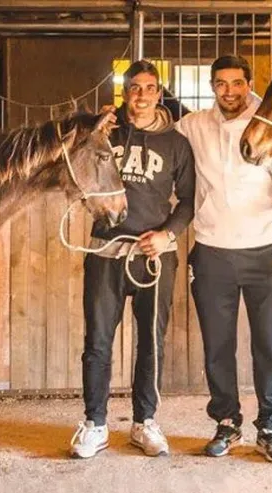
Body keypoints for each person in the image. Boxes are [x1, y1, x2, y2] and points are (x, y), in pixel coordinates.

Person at [175, 55, 272, 463]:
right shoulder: (193, 126)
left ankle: (271, 425)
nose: (228, 91)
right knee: (218, 346)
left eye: (236, 83)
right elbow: (154, 131)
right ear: (212, 86)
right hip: (212, 253)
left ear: (250, 84)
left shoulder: (269, 128)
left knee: (269, 345)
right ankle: (226, 422)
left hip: (265, 252)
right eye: (220, 84)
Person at [70, 60, 195, 458]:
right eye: (134, 87)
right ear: (125, 92)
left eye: (149, 88)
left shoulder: (177, 143)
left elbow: (189, 200)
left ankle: (145, 422)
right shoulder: (104, 132)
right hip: (106, 251)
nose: (141, 95)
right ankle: (95, 424)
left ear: (160, 93)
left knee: (150, 342)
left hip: (153, 256)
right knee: (98, 341)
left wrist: (167, 235)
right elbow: (60, 146)